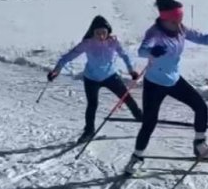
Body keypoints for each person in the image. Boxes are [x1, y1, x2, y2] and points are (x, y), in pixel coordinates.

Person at [125, 0, 208, 173]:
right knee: (149, 122)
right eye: (173, 21)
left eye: (179, 20)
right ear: (164, 19)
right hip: (154, 83)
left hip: (173, 80)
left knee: (201, 107)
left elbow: (204, 40)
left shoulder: (181, 29)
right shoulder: (154, 32)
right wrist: (152, 51)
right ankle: (137, 156)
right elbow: (142, 50)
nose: (177, 24)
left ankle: (199, 145)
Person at [47, 15, 143, 143]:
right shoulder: (87, 43)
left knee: (126, 97)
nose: (101, 36)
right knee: (92, 105)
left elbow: (124, 56)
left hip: (110, 76)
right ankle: (89, 131)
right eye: (98, 33)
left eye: (104, 32)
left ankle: (139, 116)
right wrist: (56, 70)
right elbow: (68, 56)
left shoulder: (113, 42)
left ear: (108, 31)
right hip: (91, 78)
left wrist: (131, 70)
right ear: (93, 32)